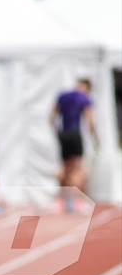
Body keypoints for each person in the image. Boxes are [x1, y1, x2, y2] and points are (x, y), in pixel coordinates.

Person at [50, 78, 100, 212]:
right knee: (77, 168)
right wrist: (95, 137)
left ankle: (62, 202)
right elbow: (90, 120)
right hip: (75, 134)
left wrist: (58, 134)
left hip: (63, 134)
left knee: (65, 168)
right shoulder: (83, 98)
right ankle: (77, 201)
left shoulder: (63, 95)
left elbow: (52, 117)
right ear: (87, 88)